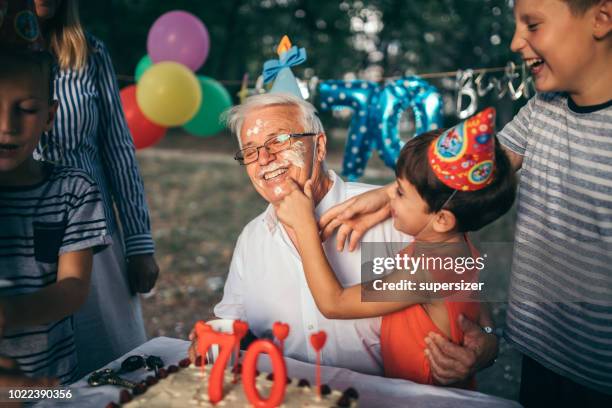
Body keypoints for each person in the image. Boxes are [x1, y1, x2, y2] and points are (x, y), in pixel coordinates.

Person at [319, 0, 612, 405]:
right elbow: (468, 181)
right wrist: (386, 195)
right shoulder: (543, 108)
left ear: (602, 18)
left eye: (533, 24)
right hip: (541, 355)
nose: (514, 42)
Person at [275, 109, 516, 387]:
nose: (389, 198)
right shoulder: (456, 244)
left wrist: (305, 226)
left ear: (441, 219)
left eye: (399, 192)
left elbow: (335, 303)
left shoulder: (427, 272)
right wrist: (486, 332)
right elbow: (475, 307)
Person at [192, 92, 411, 375]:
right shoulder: (251, 238)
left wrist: (486, 341)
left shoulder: (389, 214)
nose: (264, 158)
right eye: (250, 150)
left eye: (280, 140)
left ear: (319, 147)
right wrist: (213, 335)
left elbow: (455, 276)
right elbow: (233, 322)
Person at [32, 0, 159, 376]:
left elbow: (118, 148)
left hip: (90, 235)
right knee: (36, 377)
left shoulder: (90, 52)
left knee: (114, 367)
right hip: (16, 235)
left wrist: (139, 242)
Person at [0, 43, 110, 383]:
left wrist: (10, 313)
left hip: (54, 386)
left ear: (49, 115)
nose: (7, 125)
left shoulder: (73, 190)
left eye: (27, 109)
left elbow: (74, 285)